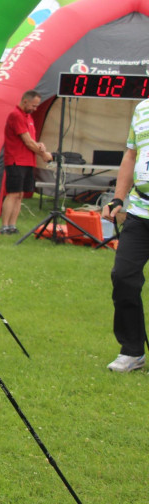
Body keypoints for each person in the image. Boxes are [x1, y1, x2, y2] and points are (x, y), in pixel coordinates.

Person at [102, 97, 149, 372]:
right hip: (140, 212)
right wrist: (118, 199)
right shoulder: (142, 109)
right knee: (123, 277)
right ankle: (132, 351)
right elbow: (131, 155)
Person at [0, 90, 52, 234]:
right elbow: (28, 142)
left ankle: (12, 225)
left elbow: (32, 141)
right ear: (25, 101)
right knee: (13, 193)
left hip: (27, 161)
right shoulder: (16, 115)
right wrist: (43, 154)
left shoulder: (28, 117)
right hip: (16, 160)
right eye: (34, 106)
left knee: (20, 194)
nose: (35, 109)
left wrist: (39, 146)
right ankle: (5, 226)